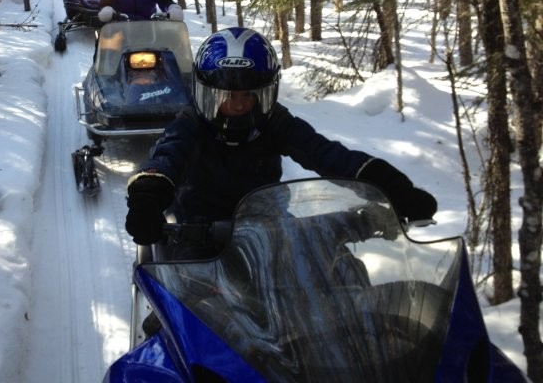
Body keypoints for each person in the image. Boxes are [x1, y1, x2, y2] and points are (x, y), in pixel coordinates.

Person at [124, 27, 438, 252]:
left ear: (266, 94)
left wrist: (386, 184)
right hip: (199, 237)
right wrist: (149, 196)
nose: (238, 104)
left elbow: (324, 153)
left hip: (270, 230)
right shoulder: (191, 122)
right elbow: (167, 156)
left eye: (250, 95)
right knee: (180, 322)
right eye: (226, 95)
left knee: (336, 278)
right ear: (205, 93)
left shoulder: (273, 122)